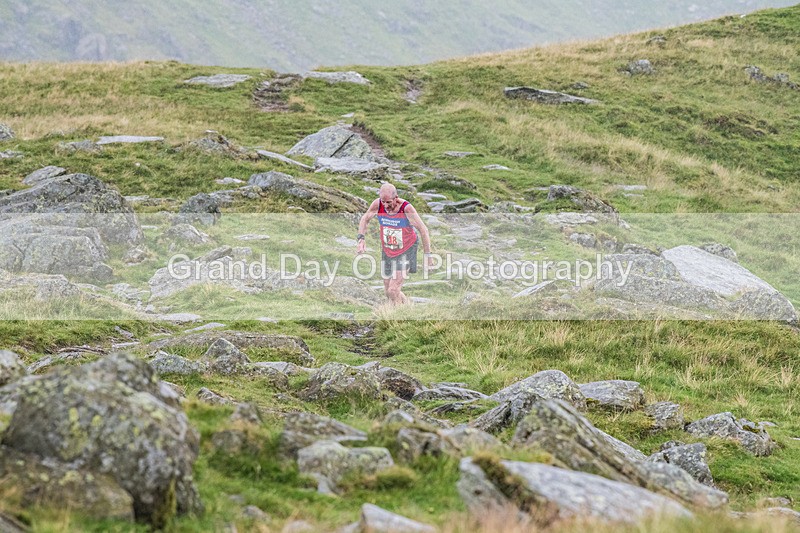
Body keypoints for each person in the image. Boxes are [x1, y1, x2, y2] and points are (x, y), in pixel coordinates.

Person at [356, 183, 433, 305]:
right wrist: (361, 239)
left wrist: (428, 255)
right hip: (388, 250)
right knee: (388, 290)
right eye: (383, 202)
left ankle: (399, 317)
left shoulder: (406, 209)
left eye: (389, 202)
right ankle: (408, 306)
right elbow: (365, 218)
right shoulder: (378, 204)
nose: (386, 206)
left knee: (393, 290)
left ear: (396, 198)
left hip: (406, 249)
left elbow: (423, 230)